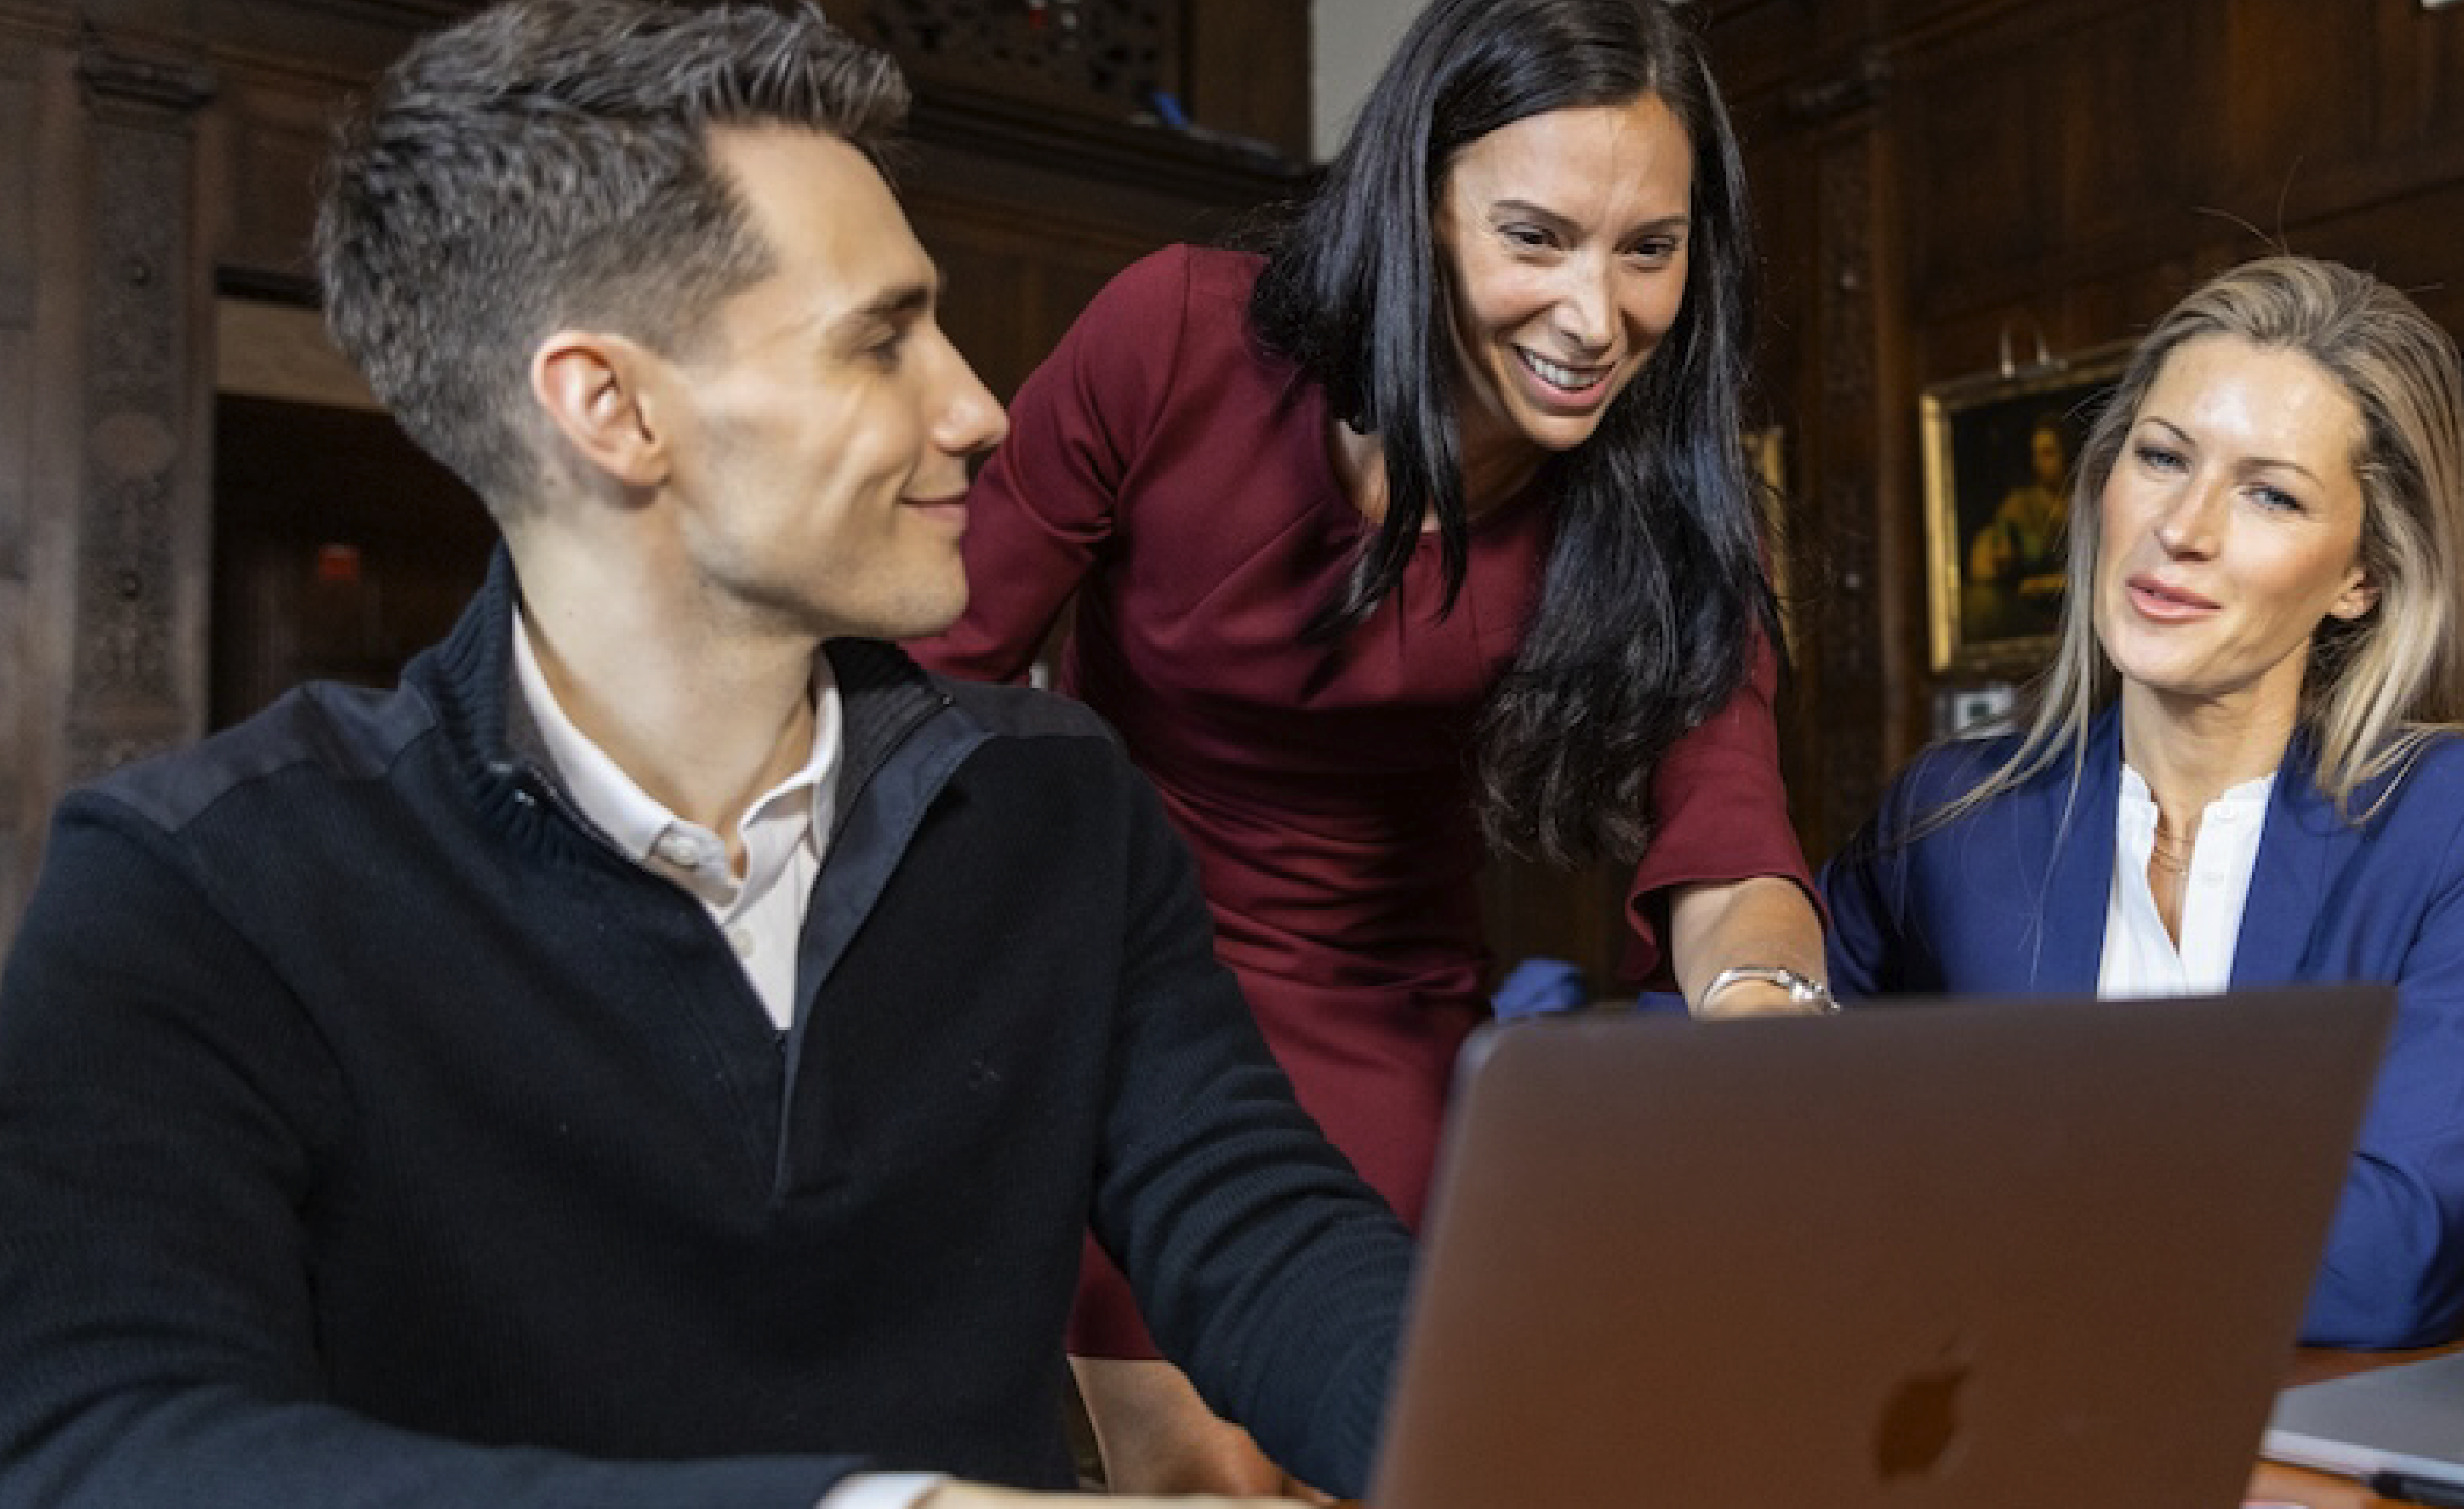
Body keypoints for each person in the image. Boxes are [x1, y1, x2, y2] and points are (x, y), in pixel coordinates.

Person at [0, 4, 1417, 1506]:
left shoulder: (1058, 806)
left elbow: (1265, 1237)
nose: (977, 409)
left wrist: (1512, 1441)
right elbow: (104, 1444)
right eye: (880, 340)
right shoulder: (197, 886)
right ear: (610, 407)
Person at [906, 0, 1827, 1491]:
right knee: (1199, 1476)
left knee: (1404, 1464)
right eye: (1535, 237)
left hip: (1387, 1018)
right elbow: (930, 658)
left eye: (1646, 250)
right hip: (1111, 993)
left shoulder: (1663, 508)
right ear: (1416, 202)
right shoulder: (1176, 335)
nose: (1597, 317)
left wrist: (1769, 1008)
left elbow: (1727, 832)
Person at [1823, 255, 2464, 1351]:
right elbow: (1732, 1098)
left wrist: (1956, 1171)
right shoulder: (1952, 815)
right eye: (2163, 456)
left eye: (2270, 493)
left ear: (2361, 575)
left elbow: (2385, 1261)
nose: (2183, 527)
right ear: (2104, 481)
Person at [1964, 416, 2071, 641]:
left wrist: (2054, 583)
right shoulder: (2019, 505)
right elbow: (1992, 557)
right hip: (2031, 612)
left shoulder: (2088, 502)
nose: (2039, 463)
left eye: (2048, 453)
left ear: (2066, 454)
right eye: (2036, 455)